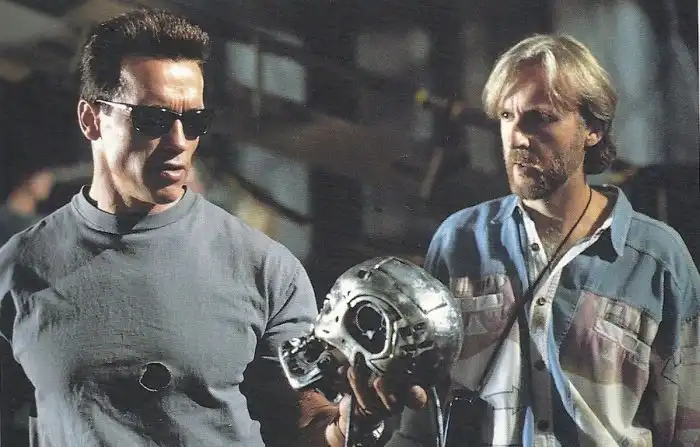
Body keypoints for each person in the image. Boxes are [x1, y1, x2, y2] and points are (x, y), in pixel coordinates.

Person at [330, 34, 700, 446]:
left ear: (592, 129)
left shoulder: (656, 259)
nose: (518, 137)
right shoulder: (460, 242)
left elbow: (689, 425)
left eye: (540, 118)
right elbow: (423, 424)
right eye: (507, 116)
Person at [0, 8, 340, 447]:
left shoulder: (265, 269)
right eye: (154, 120)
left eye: (194, 121)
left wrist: (356, 420)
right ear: (91, 119)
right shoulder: (20, 268)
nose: (179, 142)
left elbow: (309, 425)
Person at [0, 167, 54, 246]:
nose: (49, 182)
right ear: (27, 178)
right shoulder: (5, 219)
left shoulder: (43, 224)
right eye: (42, 175)